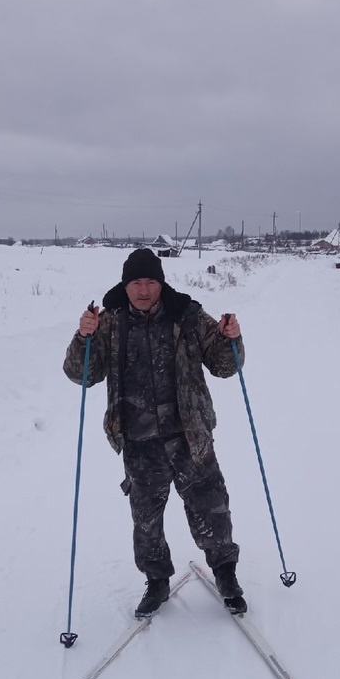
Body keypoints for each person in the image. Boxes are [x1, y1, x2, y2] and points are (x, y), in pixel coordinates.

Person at [63, 247, 247, 619]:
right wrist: (83, 338)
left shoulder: (189, 316)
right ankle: (157, 581)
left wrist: (232, 338)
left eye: (150, 282)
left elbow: (226, 366)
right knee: (146, 520)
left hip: (189, 437)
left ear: (161, 283)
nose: (143, 290)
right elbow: (81, 374)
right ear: (125, 285)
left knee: (212, 509)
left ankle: (226, 575)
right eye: (136, 283)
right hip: (139, 441)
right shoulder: (109, 322)